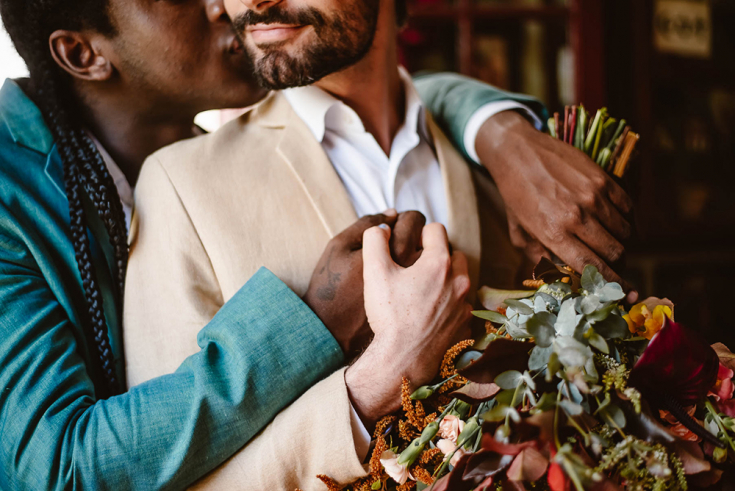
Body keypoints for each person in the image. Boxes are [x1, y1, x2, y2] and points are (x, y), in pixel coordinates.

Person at [0, 1, 586, 490]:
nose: (226, 8)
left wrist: (495, 124)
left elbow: (363, 65)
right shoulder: (47, 195)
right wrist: (315, 324)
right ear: (84, 55)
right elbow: (58, 469)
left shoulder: (472, 158)